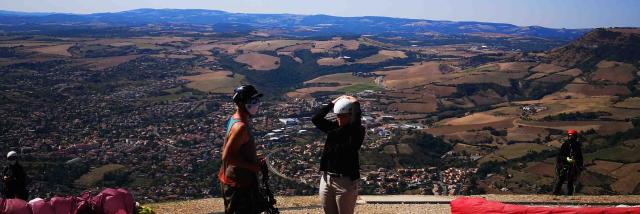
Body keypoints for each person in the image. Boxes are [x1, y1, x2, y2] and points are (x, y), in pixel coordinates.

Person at [218, 85, 267, 214]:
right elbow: (227, 156)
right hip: (238, 184)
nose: (257, 104)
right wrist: (252, 167)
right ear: (241, 103)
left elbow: (235, 148)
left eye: (257, 100)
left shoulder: (235, 119)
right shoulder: (241, 127)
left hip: (234, 180)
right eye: (252, 101)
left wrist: (252, 155)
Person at [312, 95, 365, 214]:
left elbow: (355, 125)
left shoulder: (356, 132)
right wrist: (332, 103)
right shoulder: (333, 128)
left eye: (343, 116)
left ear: (351, 116)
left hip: (345, 182)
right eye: (337, 116)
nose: (339, 119)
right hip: (326, 179)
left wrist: (356, 104)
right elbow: (316, 119)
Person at [553, 129, 583, 196]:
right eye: (570, 136)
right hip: (565, 165)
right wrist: (567, 159)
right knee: (561, 180)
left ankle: (569, 195)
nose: (571, 137)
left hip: (573, 166)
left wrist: (580, 165)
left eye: (572, 136)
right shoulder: (565, 145)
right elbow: (560, 156)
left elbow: (580, 156)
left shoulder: (577, 145)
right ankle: (555, 194)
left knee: (570, 181)